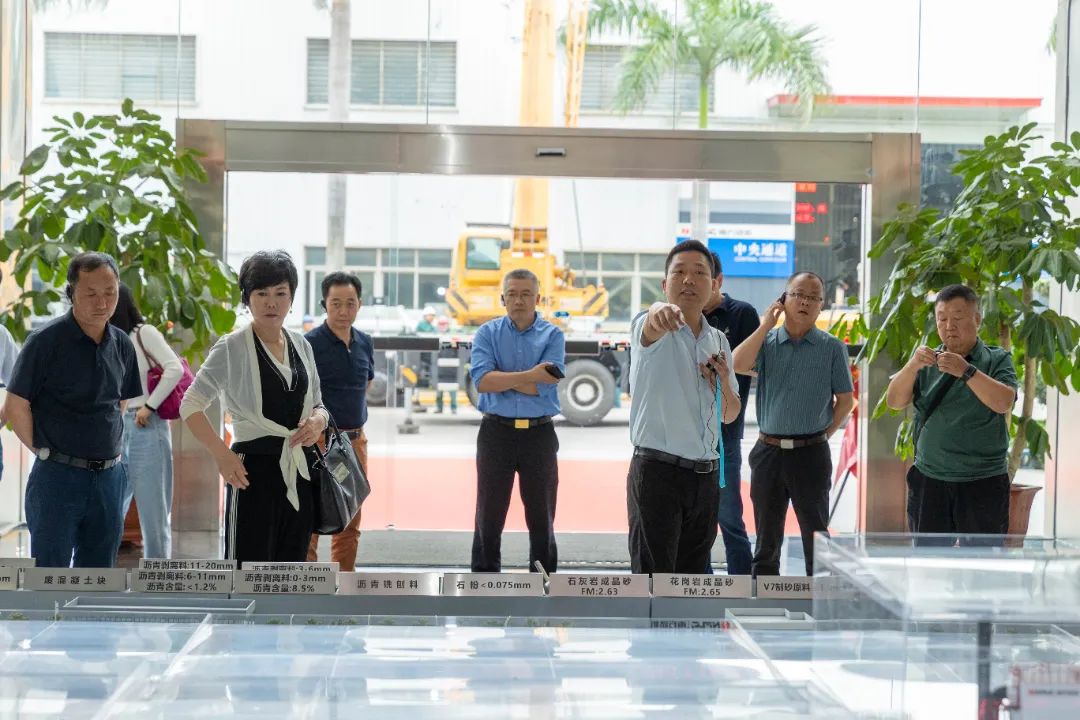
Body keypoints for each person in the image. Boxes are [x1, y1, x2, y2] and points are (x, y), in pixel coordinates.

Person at [180, 250, 329, 564]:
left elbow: (319, 405)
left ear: (291, 298)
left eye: (280, 293)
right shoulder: (232, 347)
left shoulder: (301, 345)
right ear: (247, 299)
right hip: (250, 472)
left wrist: (317, 422)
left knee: (291, 569)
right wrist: (222, 454)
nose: (271, 302)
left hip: (298, 471)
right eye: (261, 293)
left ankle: (283, 617)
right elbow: (190, 404)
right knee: (246, 569)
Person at [3, 252, 142, 568]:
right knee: (50, 574)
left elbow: (120, 403)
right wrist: (43, 450)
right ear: (71, 294)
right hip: (58, 477)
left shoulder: (121, 343)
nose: (102, 302)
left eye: (110, 292)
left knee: (98, 576)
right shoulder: (45, 342)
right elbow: (16, 405)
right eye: (90, 294)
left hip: (109, 478)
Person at [628, 240, 741, 575]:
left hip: (705, 480)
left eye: (699, 273)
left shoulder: (718, 341)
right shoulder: (650, 326)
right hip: (657, 475)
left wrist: (720, 381)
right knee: (653, 581)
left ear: (715, 284)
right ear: (665, 285)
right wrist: (655, 311)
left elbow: (729, 414)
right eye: (679, 272)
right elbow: (650, 323)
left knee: (693, 582)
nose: (689, 280)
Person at [732, 271, 854, 577]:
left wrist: (822, 434)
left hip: (811, 454)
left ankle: (818, 606)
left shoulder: (832, 348)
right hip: (768, 451)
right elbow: (737, 364)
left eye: (813, 298)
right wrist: (764, 325)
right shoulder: (768, 342)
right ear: (783, 300)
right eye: (798, 294)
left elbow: (845, 400)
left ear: (821, 307)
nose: (805, 302)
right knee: (766, 538)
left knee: (816, 535)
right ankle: (764, 606)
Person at [885, 284, 1017, 544]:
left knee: (982, 564)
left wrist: (967, 371)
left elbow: (1004, 402)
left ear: (977, 320)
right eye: (942, 319)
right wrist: (912, 365)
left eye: (957, 318)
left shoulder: (997, 359)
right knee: (929, 562)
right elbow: (894, 401)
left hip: (983, 481)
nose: (949, 326)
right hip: (930, 479)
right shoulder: (925, 361)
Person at [469, 269, 565, 573]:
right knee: (489, 513)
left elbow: (545, 386)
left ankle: (544, 581)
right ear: (503, 298)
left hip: (539, 435)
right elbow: (483, 382)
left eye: (526, 294)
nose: (519, 300)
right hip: (496, 432)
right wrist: (530, 375)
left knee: (542, 515)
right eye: (512, 293)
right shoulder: (487, 333)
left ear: (537, 298)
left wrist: (506, 378)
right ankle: (483, 580)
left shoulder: (553, 335)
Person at [305, 272, 374, 571]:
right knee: (311, 517)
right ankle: (306, 582)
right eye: (336, 303)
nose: (343, 311)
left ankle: (344, 581)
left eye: (350, 303)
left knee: (350, 514)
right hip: (317, 442)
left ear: (360, 304)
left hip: (355, 442)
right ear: (325, 305)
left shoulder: (365, 342)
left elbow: (366, 383)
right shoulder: (309, 344)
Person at [110, 284, 185, 559]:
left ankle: (157, 577)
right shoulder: (105, 338)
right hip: (114, 428)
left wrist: (150, 406)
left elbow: (174, 368)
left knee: (153, 513)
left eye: (109, 297)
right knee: (110, 509)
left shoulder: (143, 333)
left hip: (146, 425)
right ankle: (102, 578)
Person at [703, 251, 759, 575]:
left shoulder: (742, 314)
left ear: (718, 280)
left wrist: (726, 371)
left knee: (728, 515)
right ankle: (700, 583)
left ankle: (741, 581)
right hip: (689, 435)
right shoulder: (682, 316)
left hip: (726, 433)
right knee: (698, 520)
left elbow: (752, 365)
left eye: (702, 278)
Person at [416, 307, 457, 414]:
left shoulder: (452, 336)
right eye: (441, 324)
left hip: (451, 367)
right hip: (439, 367)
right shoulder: (433, 333)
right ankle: (440, 408)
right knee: (439, 389)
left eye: (444, 324)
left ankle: (453, 408)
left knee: (452, 389)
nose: (443, 326)